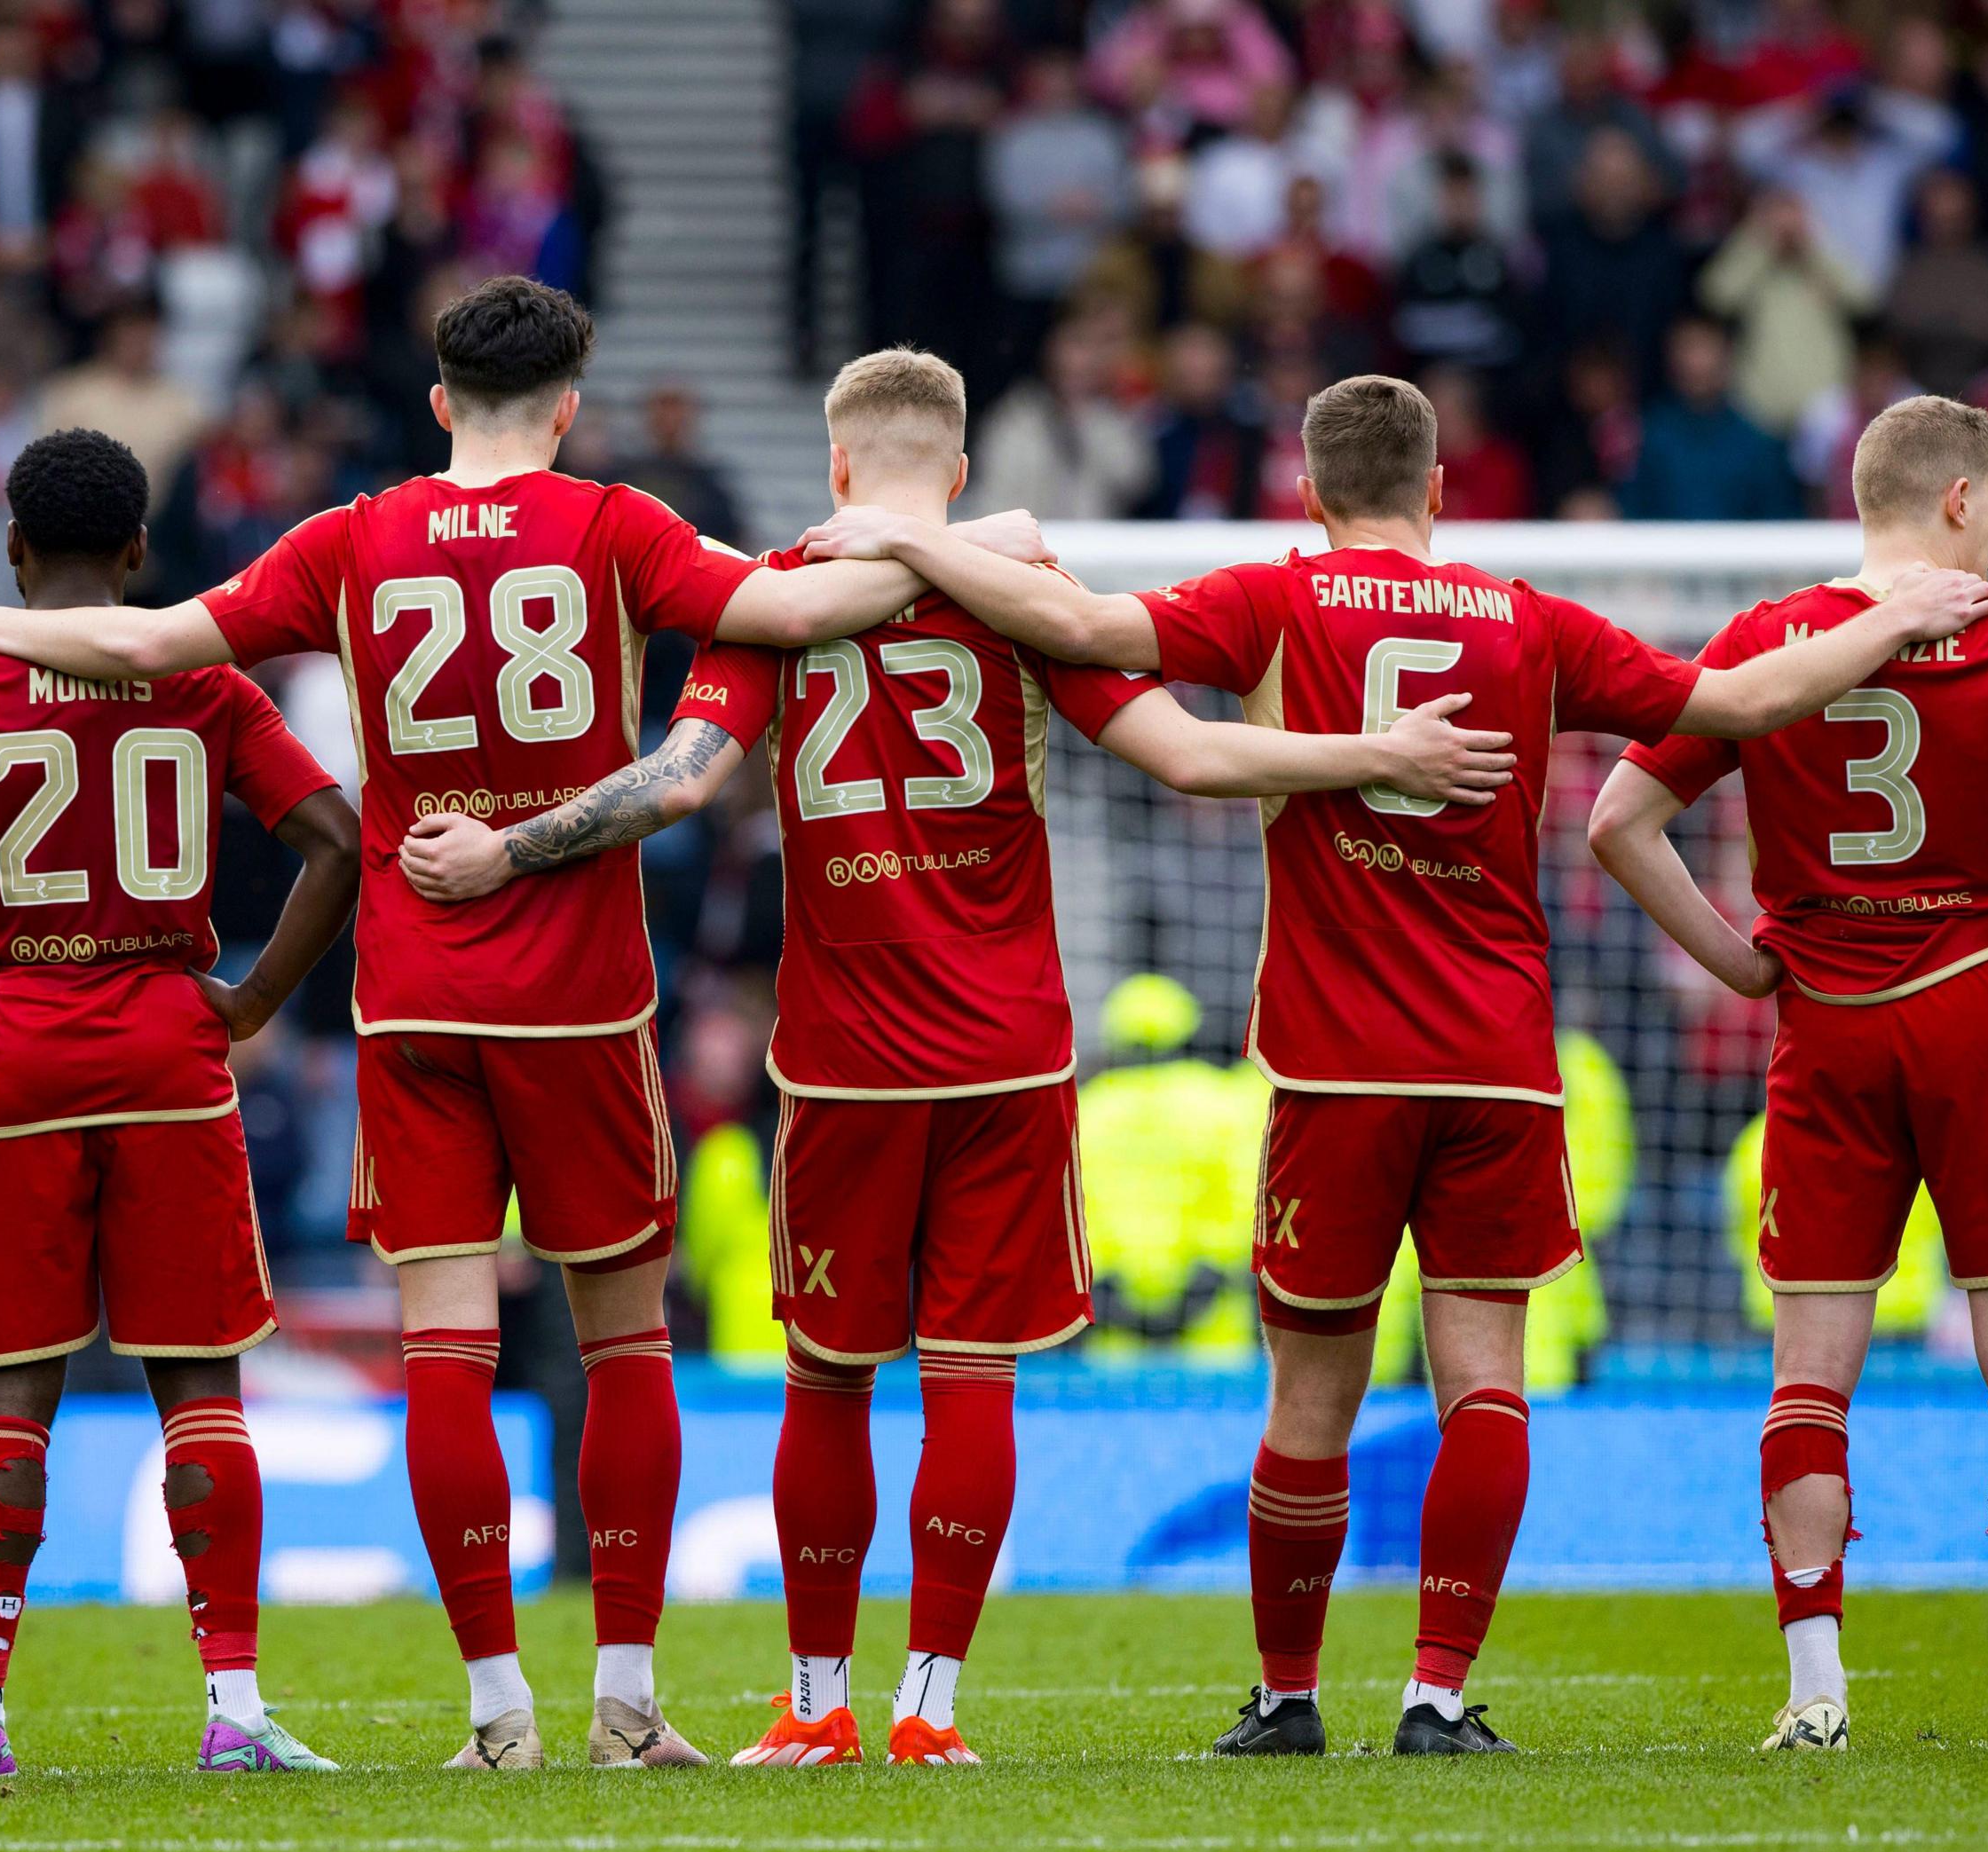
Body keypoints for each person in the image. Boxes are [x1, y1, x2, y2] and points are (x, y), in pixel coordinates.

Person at [0, 274, 1037, 1770]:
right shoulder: (616, 525)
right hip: (580, 1000)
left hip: (417, 994)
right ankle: (625, 1701)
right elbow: (806, 606)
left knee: (446, 1346)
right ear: (568, 404)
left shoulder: (350, 539)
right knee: (622, 1340)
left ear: (438, 400)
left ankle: (496, 1710)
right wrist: (961, 540)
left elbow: (156, 644)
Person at [800, 372, 1988, 1759]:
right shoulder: (1529, 618)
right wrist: (1891, 613)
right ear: (1442, 490)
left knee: (1309, 1394)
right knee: (1483, 1381)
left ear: (1306, 495)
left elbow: (1074, 624)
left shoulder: (1271, 596)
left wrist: (910, 538)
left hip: (1336, 1063)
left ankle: (1291, 1697)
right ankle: (1436, 1696)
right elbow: (1732, 704)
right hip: (1498, 1060)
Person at [397, 349, 1512, 1766]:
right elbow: (1193, 759)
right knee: (972, 1384)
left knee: (831, 1380)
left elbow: (680, 780)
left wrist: (503, 848)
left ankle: (814, 1706)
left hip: (846, 1050)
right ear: (965, 472)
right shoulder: (1023, 604)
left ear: (840, 467)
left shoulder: (776, 599)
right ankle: (930, 1710)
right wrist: (1374, 749)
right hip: (1006, 1051)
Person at [1591, 396, 1988, 1753]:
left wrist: (1744, 961)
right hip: (1983, 1013)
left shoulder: (1765, 643)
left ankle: (1815, 1697)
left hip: (1829, 1025)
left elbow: (1620, 819)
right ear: (1951, 502)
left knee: (1811, 1374)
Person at [0, 429, 363, 1776]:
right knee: (201, 1394)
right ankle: (234, 1711)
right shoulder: (201, 684)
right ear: (139, 552)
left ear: (10, 552)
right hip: (170, 1048)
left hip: (18, 1054)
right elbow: (337, 839)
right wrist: (254, 999)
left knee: (9, 1404)